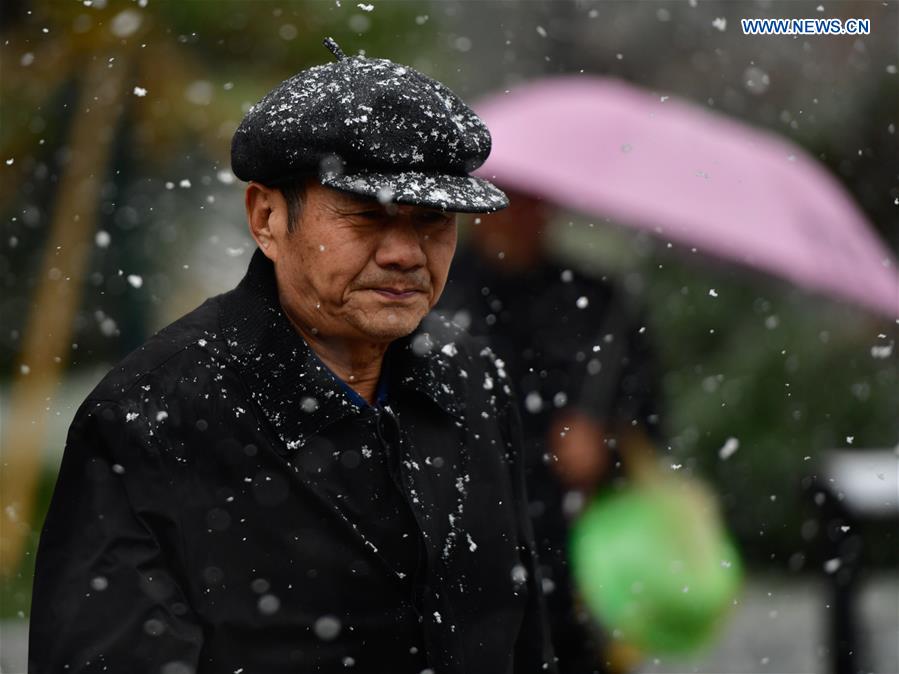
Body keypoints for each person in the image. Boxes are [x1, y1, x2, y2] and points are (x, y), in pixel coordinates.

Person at [29, 39, 556, 674]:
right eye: (366, 217)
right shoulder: (152, 415)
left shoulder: (470, 376)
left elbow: (520, 632)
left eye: (433, 221)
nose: (405, 253)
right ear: (267, 218)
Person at [437, 189, 663, 674]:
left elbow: (649, 421)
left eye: (529, 201)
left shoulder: (599, 306)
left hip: (575, 554)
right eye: (502, 199)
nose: (517, 215)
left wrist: (604, 445)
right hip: (458, 552)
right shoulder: (430, 297)